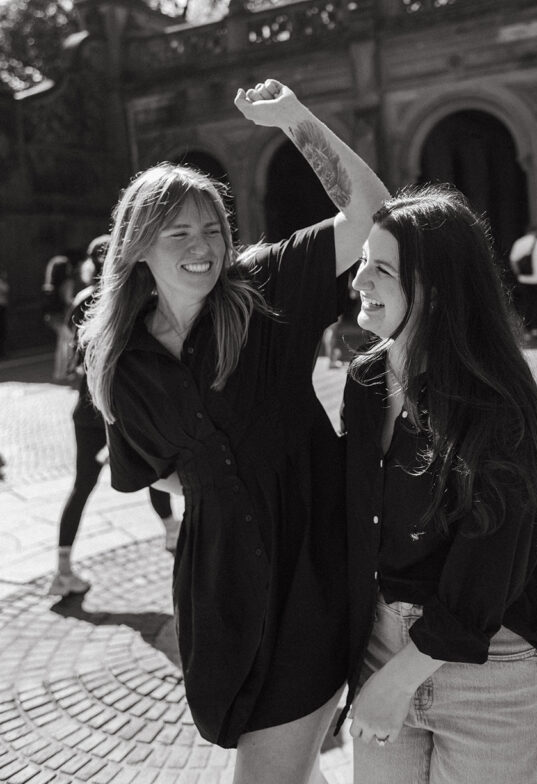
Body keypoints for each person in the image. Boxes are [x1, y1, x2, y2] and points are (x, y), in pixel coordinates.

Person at [79, 78, 388, 784]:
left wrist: (295, 120)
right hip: (218, 592)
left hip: (312, 565)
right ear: (137, 247)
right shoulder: (121, 360)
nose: (203, 247)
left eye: (213, 228)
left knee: (265, 775)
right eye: (178, 232)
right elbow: (146, 469)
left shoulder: (265, 288)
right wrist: (219, 483)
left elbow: (370, 213)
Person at [340, 184, 537, 784]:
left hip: (492, 665)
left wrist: (397, 682)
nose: (359, 281)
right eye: (364, 261)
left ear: (437, 290)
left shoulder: (495, 403)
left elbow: (491, 564)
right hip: (382, 643)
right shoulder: (367, 381)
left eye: (383, 269)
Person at [49, 234, 181, 598]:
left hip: (89, 413)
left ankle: (62, 568)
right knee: (158, 470)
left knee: (82, 486)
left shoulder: (81, 302)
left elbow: (76, 363)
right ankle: (173, 533)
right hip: (123, 412)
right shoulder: (134, 301)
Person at [509, 225, 537, 340]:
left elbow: (513, 260)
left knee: (527, 304)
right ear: (536, 232)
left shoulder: (519, 242)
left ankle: (529, 330)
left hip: (524, 279)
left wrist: (519, 274)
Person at [41, 253, 78, 380]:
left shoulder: (50, 285)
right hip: (63, 316)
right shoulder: (67, 281)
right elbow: (68, 300)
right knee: (69, 342)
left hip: (52, 317)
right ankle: (68, 371)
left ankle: (59, 372)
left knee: (61, 344)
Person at [0, 266, 9, 359]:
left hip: (3, 307)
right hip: (1, 307)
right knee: (2, 330)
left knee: (3, 330)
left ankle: (3, 352)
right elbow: (5, 290)